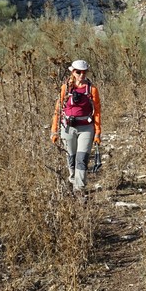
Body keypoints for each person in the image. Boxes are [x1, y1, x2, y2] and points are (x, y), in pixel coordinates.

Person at [51, 60, 102, 194]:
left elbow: (97, 112)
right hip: (68, 128)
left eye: (84, 72)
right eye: (78, 72)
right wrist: (54, 131)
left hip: (86, 128)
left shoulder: (92, 90)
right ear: (72, 72)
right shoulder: (65, 88)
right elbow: (58, 109)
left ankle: (79, 189)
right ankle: (73, 180)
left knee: (82, 158)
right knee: (71, 158)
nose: (81, 75)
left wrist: (97, 133)